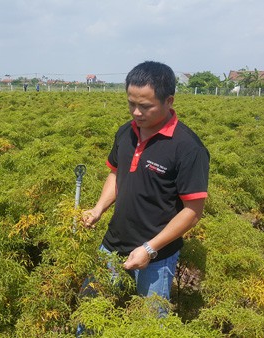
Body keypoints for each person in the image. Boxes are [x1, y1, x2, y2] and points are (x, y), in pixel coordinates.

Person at [80, 61, 209, 313]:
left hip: (156, 258)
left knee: (149, 322)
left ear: (169, 101)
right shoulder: (125, 133)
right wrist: (98, 209)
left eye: (145, 106)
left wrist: (149, 249)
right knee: (90, 310)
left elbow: (192, 211)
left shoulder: (188, 148)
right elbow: (115, 174)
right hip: (113, 244)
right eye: (131, 103)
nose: (136, 113)